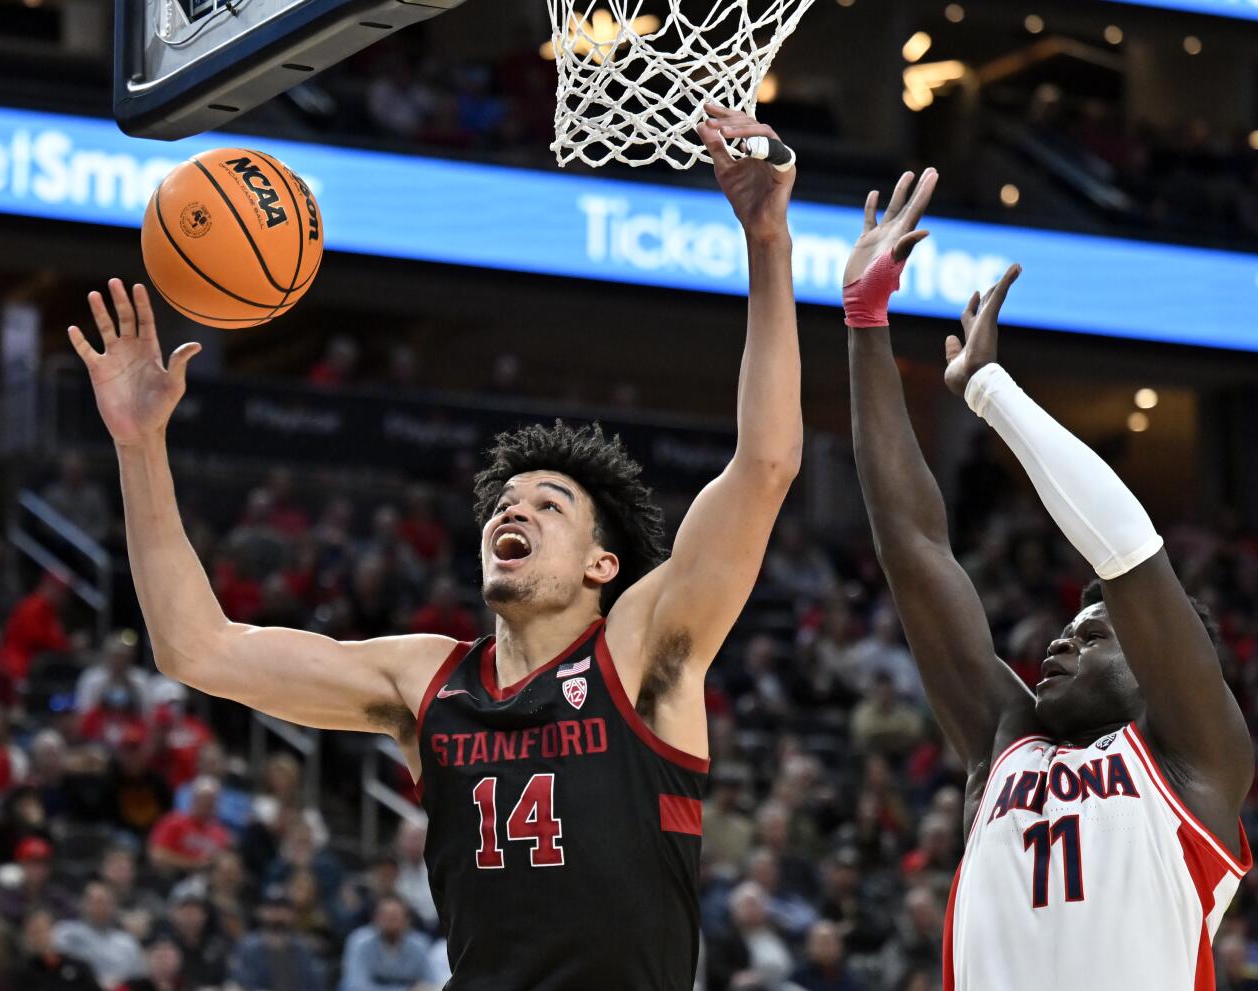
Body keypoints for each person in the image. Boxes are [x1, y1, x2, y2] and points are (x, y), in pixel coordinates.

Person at [67, 103, 801, 991]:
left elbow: (763, 465)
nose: (510, 510)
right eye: (503, 500)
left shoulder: (640, 650)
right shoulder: (427, 683)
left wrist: (768, 240)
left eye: (549, 502)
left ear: (603, 566)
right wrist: (141, 446)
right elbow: (197, 647)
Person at [845, 167, 1253, 989]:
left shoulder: (1199, 765)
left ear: (1158, 665)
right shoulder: (1006, 741)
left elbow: (1130, 553)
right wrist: (865, 320)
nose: (1061, 638)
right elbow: (914, 546)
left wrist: (991, 391)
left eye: (1096, 632)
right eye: (1071, 625)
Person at [339, 897, 437, 991]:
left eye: (394, 917)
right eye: (385, 917)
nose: (389, 922)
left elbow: (432, 983)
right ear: (375, 919)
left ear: (407, 920)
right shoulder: (359, 942)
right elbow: (356, 986)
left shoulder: (419, 944)